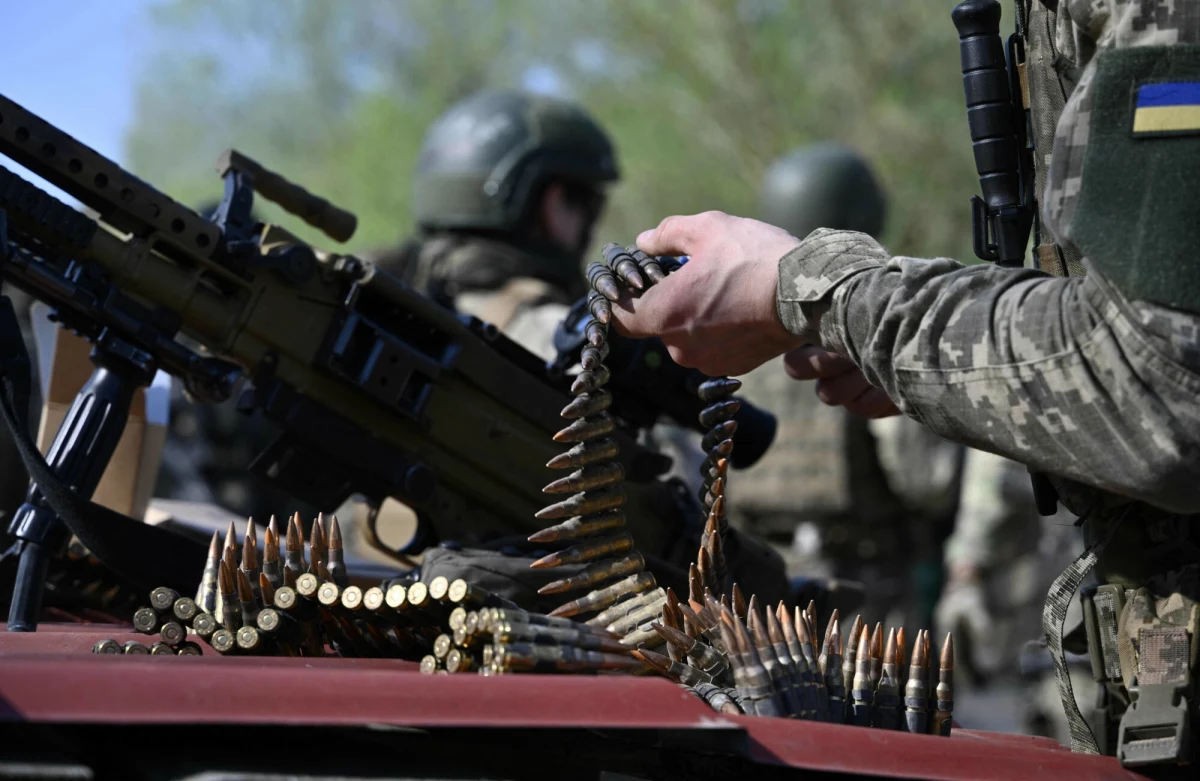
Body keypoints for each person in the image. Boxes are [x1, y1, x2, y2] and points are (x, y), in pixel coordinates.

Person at [607, 2, 1200, 766]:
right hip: (886, 607)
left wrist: (822, 290)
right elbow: (926, 484)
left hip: (810, 604)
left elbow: (1157, 383)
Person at [735, 144, 963, 629]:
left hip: (756, 592)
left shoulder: (734, 340)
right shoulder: (871, 334)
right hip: (867, 595)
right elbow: (927, 484)